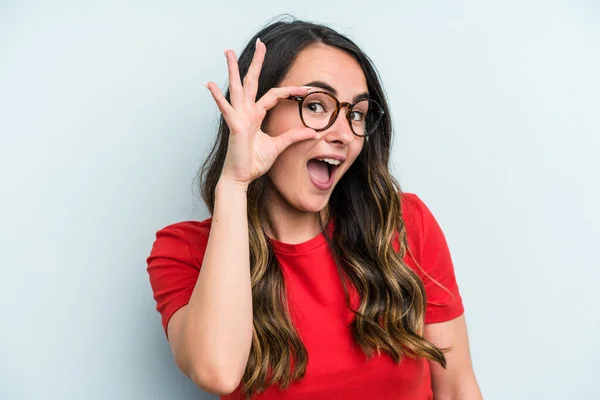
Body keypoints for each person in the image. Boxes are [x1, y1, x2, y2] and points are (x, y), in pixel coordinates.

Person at [146, 18, 482, 400]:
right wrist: (235, 182)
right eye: (316, 105)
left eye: (356, 113)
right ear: (260, 114)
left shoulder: (404, 224)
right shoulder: (183, 251)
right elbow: (217, 372)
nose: (343, 133)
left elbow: (457, 389)